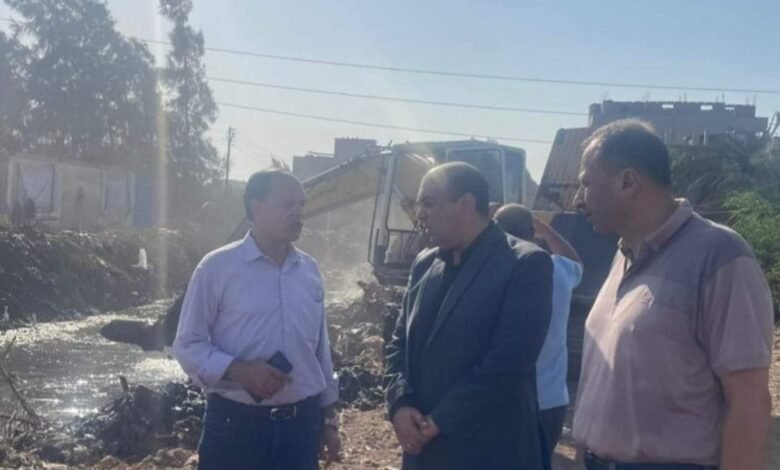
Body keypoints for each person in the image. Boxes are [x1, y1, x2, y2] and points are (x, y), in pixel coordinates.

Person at [572, 120, 773, 470]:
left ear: (627, 182)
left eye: (586, 184)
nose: (577, 200)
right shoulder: (624, 254)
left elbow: (748, 398)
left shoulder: (720, 255)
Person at [384, 162, 553, 470]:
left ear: (465, 203)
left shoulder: (525, 264)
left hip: (489, 451)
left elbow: (509, 362)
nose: (420, 214)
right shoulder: (424, 264)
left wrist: (440, 420)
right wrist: (400, 403)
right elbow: (399, 342)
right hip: (423, 453)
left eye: (428, 203)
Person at [173, 169, 341, 470]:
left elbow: (320, 352)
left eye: (301, 204)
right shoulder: (217, 268)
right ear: (256, 207)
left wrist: (328, 418)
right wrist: (239, 371)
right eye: (288, 204)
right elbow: (187, 345)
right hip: (235, 428)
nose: (298, 212)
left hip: (300, 429)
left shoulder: (309, 271)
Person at [493, 204, 583, 461]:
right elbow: (576, 262)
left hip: (501, 401)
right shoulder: (558, 270)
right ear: (532, 233)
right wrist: (545, 228)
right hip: (550, 401)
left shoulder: (491, 271)